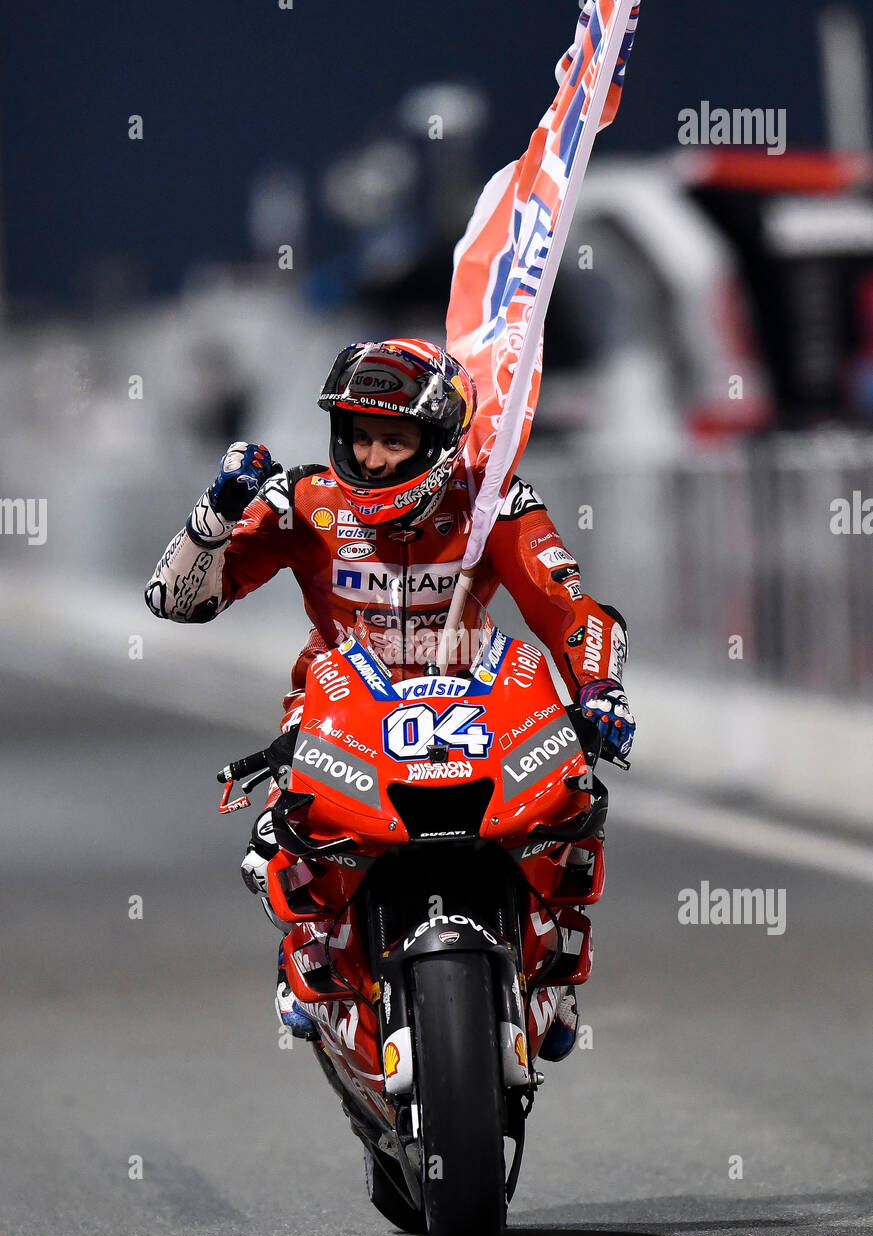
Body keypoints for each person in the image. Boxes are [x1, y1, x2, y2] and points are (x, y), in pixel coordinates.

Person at [145, 337, 635, 1059]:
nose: (371, 459)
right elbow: (174, 601)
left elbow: (571, 612)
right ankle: (310, 950)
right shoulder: (304, 502)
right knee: (276, 843)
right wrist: (214, 517)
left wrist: (601, 689)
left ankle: (551, 959)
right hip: (338, 702)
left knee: (570, 800)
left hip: (478, 696)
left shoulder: (493, 500)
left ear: (437, 440)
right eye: (360, 436)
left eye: (393, 440)